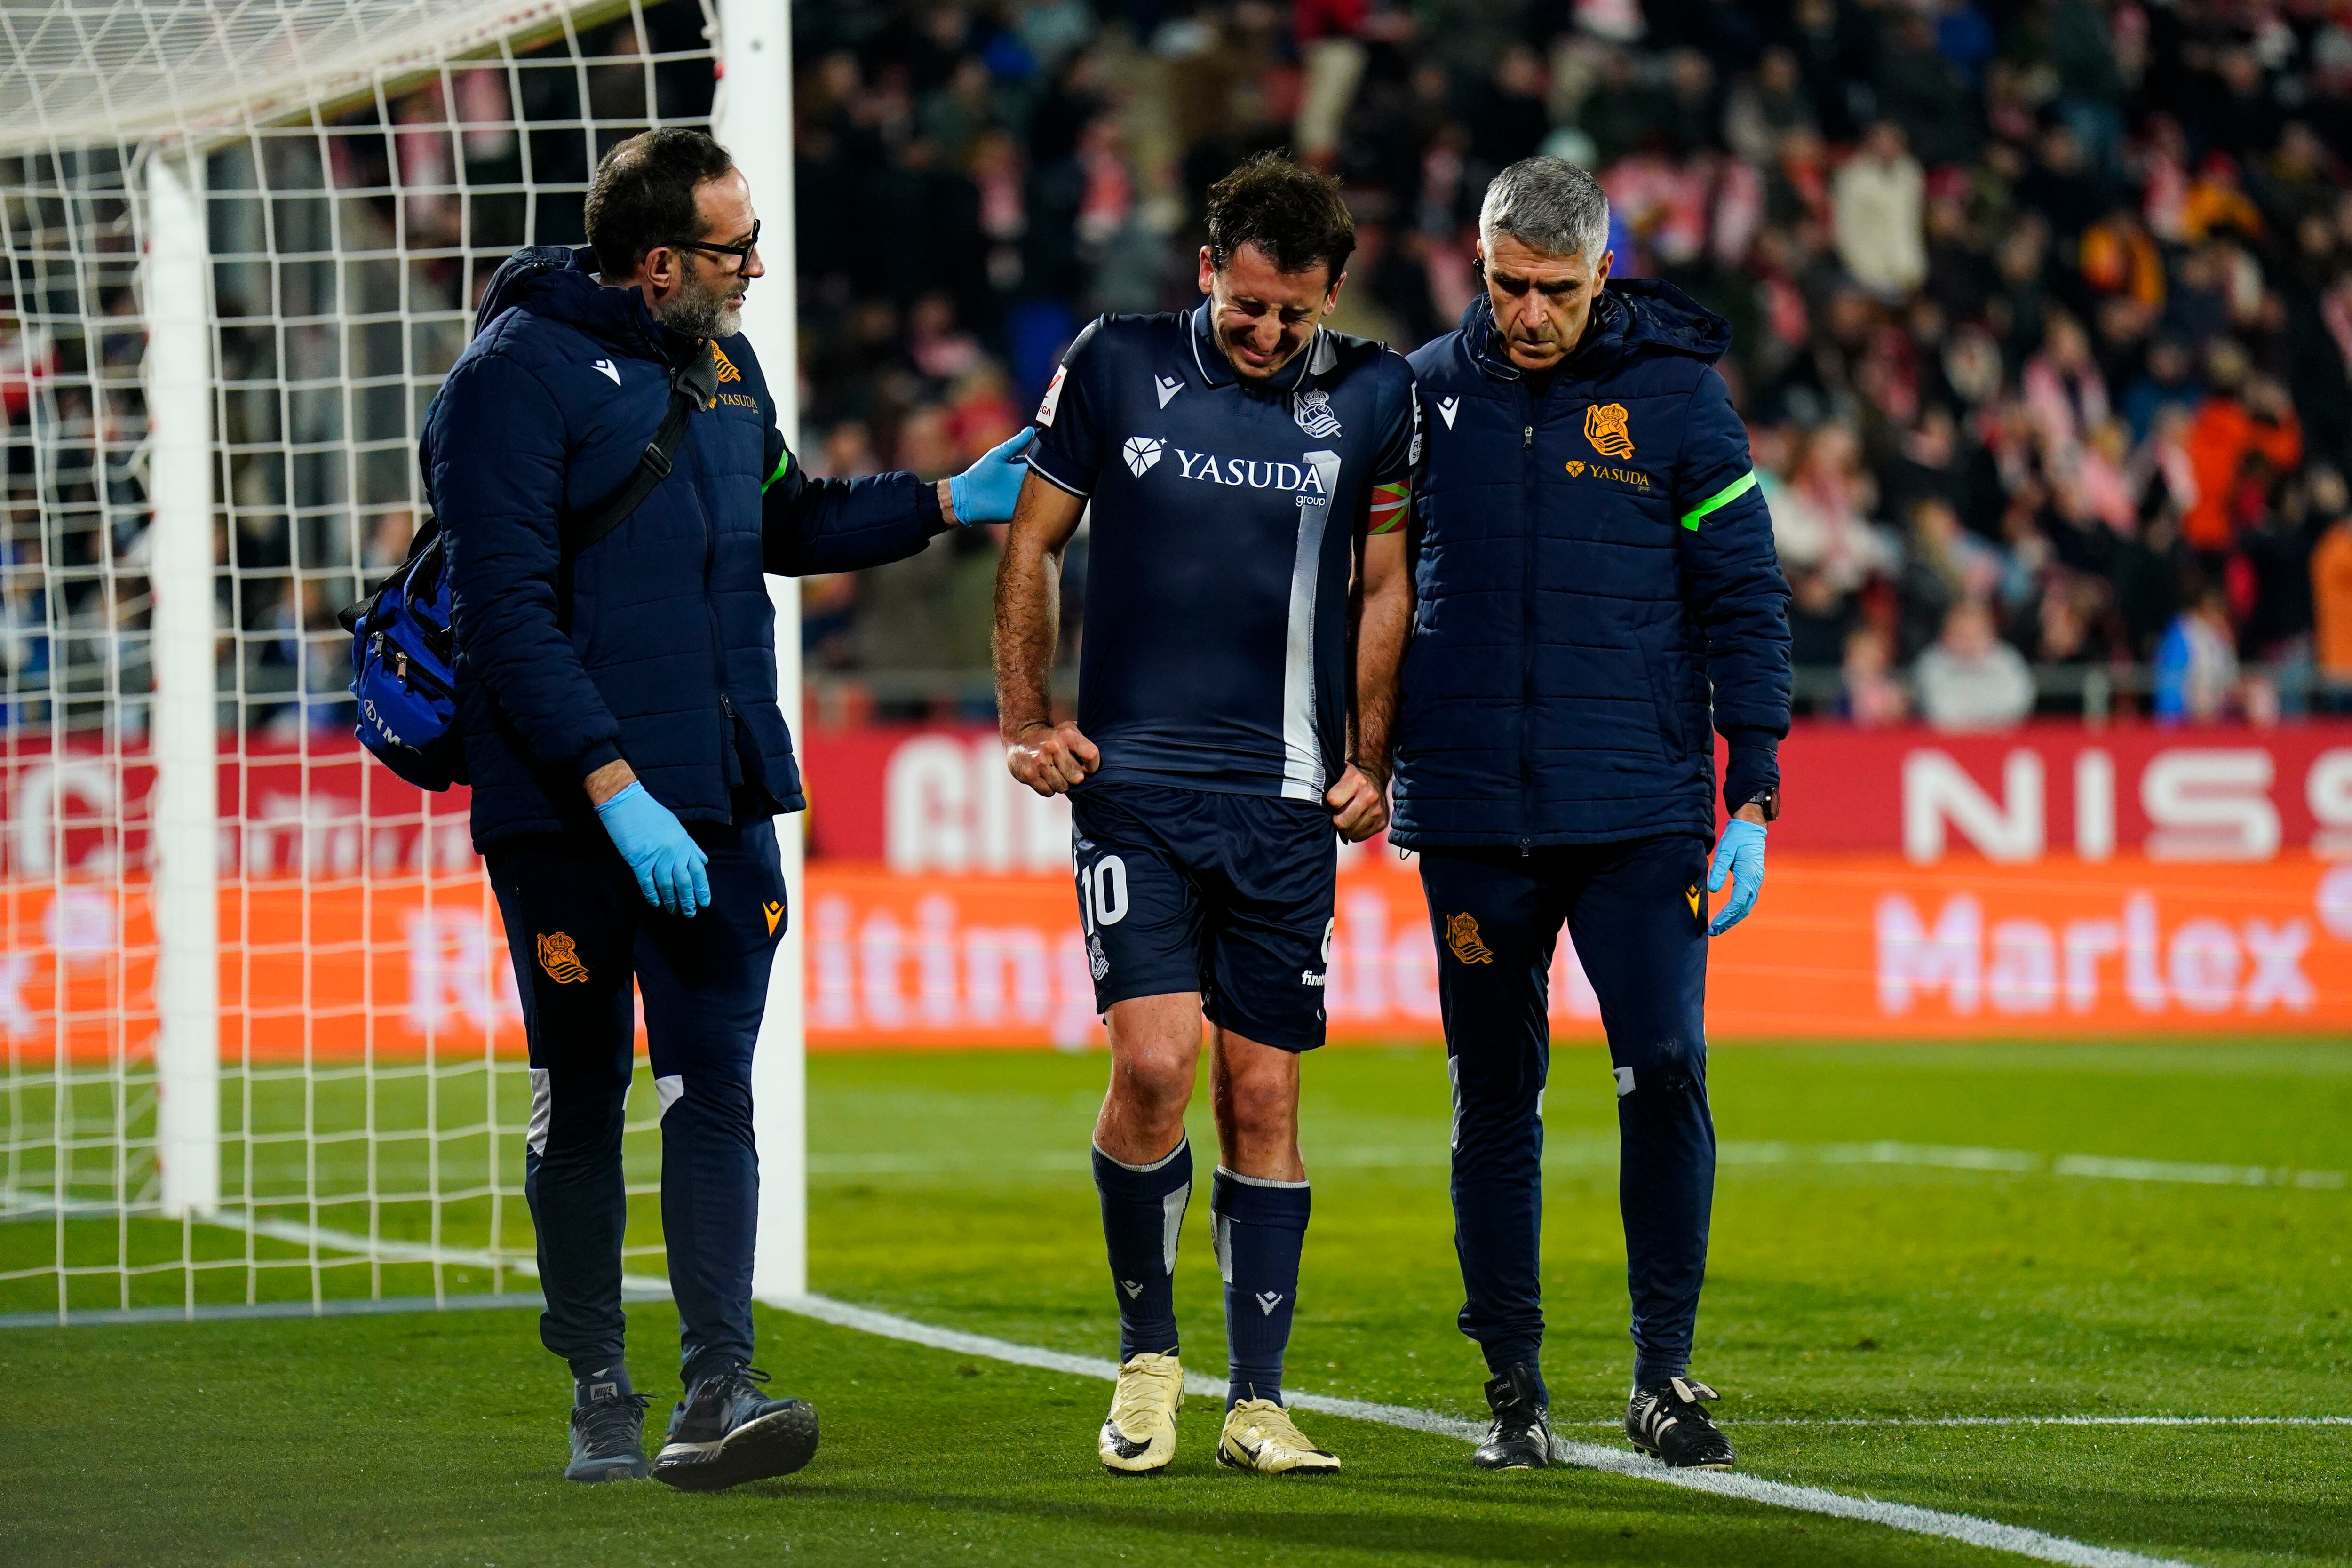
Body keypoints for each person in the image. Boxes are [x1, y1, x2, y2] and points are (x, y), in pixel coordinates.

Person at [431, 128, 1033, 1490]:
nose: (757, 265)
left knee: (714, 1086)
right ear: (657, 265)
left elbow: (789, 521)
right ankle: (599, 1388)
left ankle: (722, 1384)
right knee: (579, 1095)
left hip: (716, 798)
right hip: (572, 815)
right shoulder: (508, 383)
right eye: (732, 246)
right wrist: (610, 783)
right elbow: (504, 620)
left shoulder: (724, 368)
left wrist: (946, 498)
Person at [993, 152, 1417, 1477]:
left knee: (1265, 1090)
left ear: (1332, 295)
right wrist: (1027, 714)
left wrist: (1374, 760)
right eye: (1249, 307)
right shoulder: (1114, 364)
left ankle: (1260, 1398)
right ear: (1208, 273)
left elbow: (1386, 584)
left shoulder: (1375, 395)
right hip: (1135, 791)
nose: (1270, 334)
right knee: (1160, 1064)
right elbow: (1032, 544)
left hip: (1287, 798)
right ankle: (1148, 1356)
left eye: (1296, 314)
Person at [1393, 157, 1791, 1472]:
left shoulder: (1680, 401)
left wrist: (1755, 789)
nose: (1528, 314)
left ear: (1602, 274)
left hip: (1637, 811)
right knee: (1494, 1094)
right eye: (1507, 287)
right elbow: (1360, 597)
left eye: (1556, 291)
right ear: (1478, 262)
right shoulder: (1416, 397)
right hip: (1467, 810)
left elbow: (1746, 596)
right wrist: (1356, 756)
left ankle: (1662, 1373)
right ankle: (1513, 1388)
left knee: (1665, 1068)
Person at [1914, 597, 2035, 730]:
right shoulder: (1931, 664)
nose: (1969, 645)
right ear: (1946, 635)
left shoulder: (2007, 660)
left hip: (2002, 739)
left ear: (1992, 634)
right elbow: (1941, 712)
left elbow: (2017, 701)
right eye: (1961, 636)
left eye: (1976, 635)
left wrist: (1988, 725)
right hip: (1949, 742)